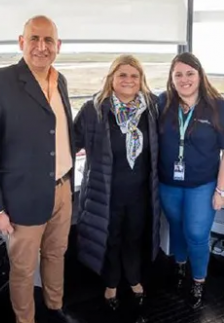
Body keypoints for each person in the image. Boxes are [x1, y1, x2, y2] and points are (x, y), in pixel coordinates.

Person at [0, 16, 80, 323]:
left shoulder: (61, 81)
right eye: (34, 39)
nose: (41, 47)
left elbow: (57, 131)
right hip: (22, 198)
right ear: (21, 42)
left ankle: (55, 307)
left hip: (62, 190)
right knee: (22, 268)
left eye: (48, 41)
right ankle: (25, 320)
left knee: (57, 254)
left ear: (58, 46)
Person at [73, 55, 161, 317]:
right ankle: (111, 285)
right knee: (110, 239)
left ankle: (133, 279)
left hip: (140, 193)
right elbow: (69, 143)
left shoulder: (152, 108)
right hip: (106, 193)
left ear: (141, 81)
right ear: (111, 78)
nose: (128, 81)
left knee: (134, 238)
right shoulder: (94, 109)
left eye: (134, 76)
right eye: (122, 75)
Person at [158, 52, 224, 308]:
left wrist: (221, 190)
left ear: (200, 75)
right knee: (177, 227)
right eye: (178, 74)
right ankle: (180, 266)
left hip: (202, 186)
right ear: (171, 79)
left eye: (190, 73)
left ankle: (199, 281)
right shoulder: (163, 102)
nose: (184, 79)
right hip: (168, 184)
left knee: (196, 233)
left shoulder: (216, 106)